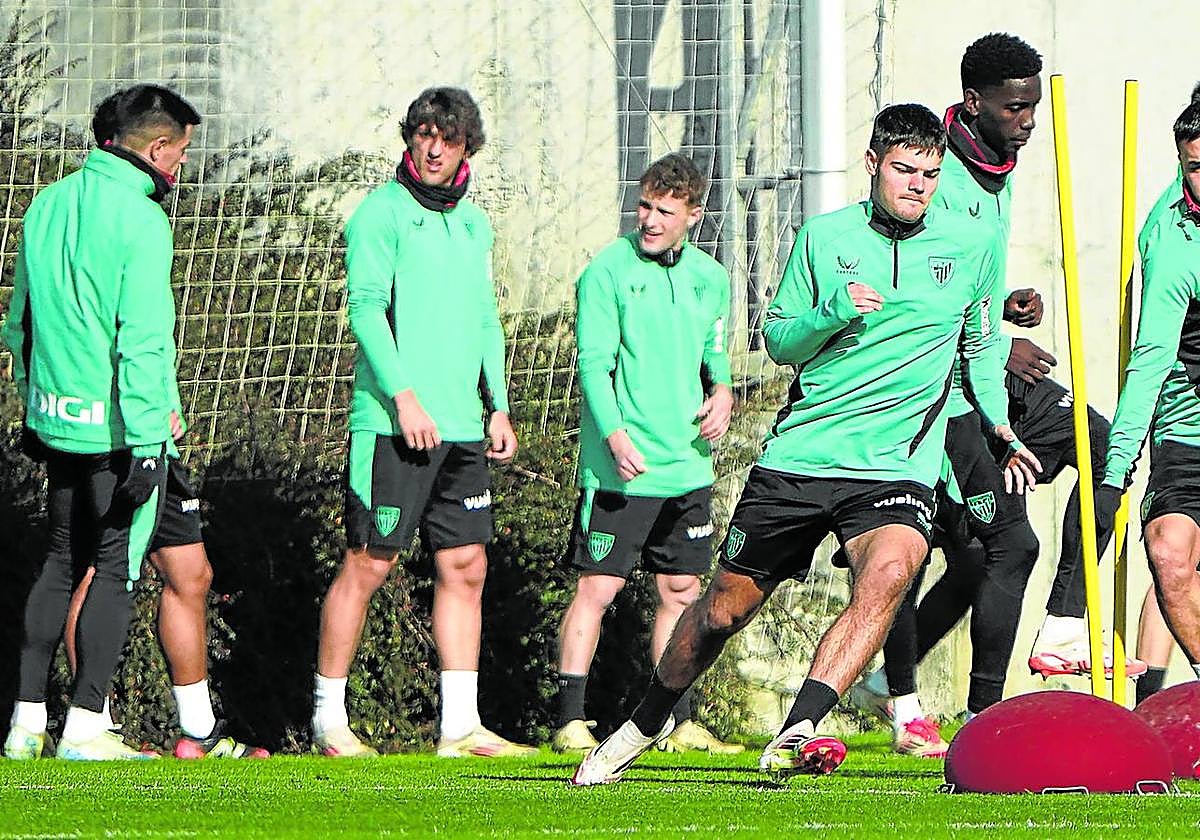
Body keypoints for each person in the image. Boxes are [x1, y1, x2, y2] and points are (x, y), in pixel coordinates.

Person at [572, 103, 1039, 785]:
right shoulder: (824, 238)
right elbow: (781, 341)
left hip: (897, 463)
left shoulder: (973, 246)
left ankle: (799, 728)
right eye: (905, 170)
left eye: (931, 174)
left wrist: (998, 423)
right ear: (874, 163)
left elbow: (978, 344)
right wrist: (834, 310)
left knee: (889, 571)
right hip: (804, 457)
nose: (918, 185)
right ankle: (641, 724)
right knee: (722, 610)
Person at [851, 34, 1142, 755]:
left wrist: (1004, 309)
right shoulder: (937, 175)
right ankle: (972, 715)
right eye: (1016, 107)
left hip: (997, 380)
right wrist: (1001, 344)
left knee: (1108, 448)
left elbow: (963, 284)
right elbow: (907, 295)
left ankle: (1064, 624)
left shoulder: (996, 174)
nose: (1030, 121)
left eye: (1035, 107)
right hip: (944, 397)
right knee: (998, 548)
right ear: (974, 103)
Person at [310, 87, 532, 758]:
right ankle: (328, 723)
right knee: (369, 564)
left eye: (449, 137)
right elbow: (367, 311)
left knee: (465, 565)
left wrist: (498, 404)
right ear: (409, 139)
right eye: (424, 134)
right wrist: (404, 397)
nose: (434, 148)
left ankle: (459, 727)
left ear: (468, 147)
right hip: (392, 426)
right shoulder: (380, 215)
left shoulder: (473, 224)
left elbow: (485, 318)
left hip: (463, 426)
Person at [2, 84, 199, 760]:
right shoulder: (143, 221)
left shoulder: (46, 205)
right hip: (117, 433)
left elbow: (18, 323)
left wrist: (33, 402)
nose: (179, 171)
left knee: (60, 562)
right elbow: (141, 341)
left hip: (57, 424)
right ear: (155, 148)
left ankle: (25, 727)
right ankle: (87, 727)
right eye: (179, 156)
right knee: (115, 569)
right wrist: (150, 442)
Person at [552, 153, 740, 756]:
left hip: (686, 464)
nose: (651, 220)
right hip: (622, 467)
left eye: (665, 210)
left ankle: (675, 723)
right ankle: (570, 721)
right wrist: (612, 434)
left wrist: (723, 390)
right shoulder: (606, 272)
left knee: (682, 592)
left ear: (693, 214)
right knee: (598, 589)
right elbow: (593, 364)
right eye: (645, 207)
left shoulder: (710, 278)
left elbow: (713, 351)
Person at [1099, 97, 1200, 700]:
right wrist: (1117, 467)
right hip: (1186, 427)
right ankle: (1151, 700)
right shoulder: (1172, 237)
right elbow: (1152, 358)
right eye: (1192, 167)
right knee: (1168, 555)